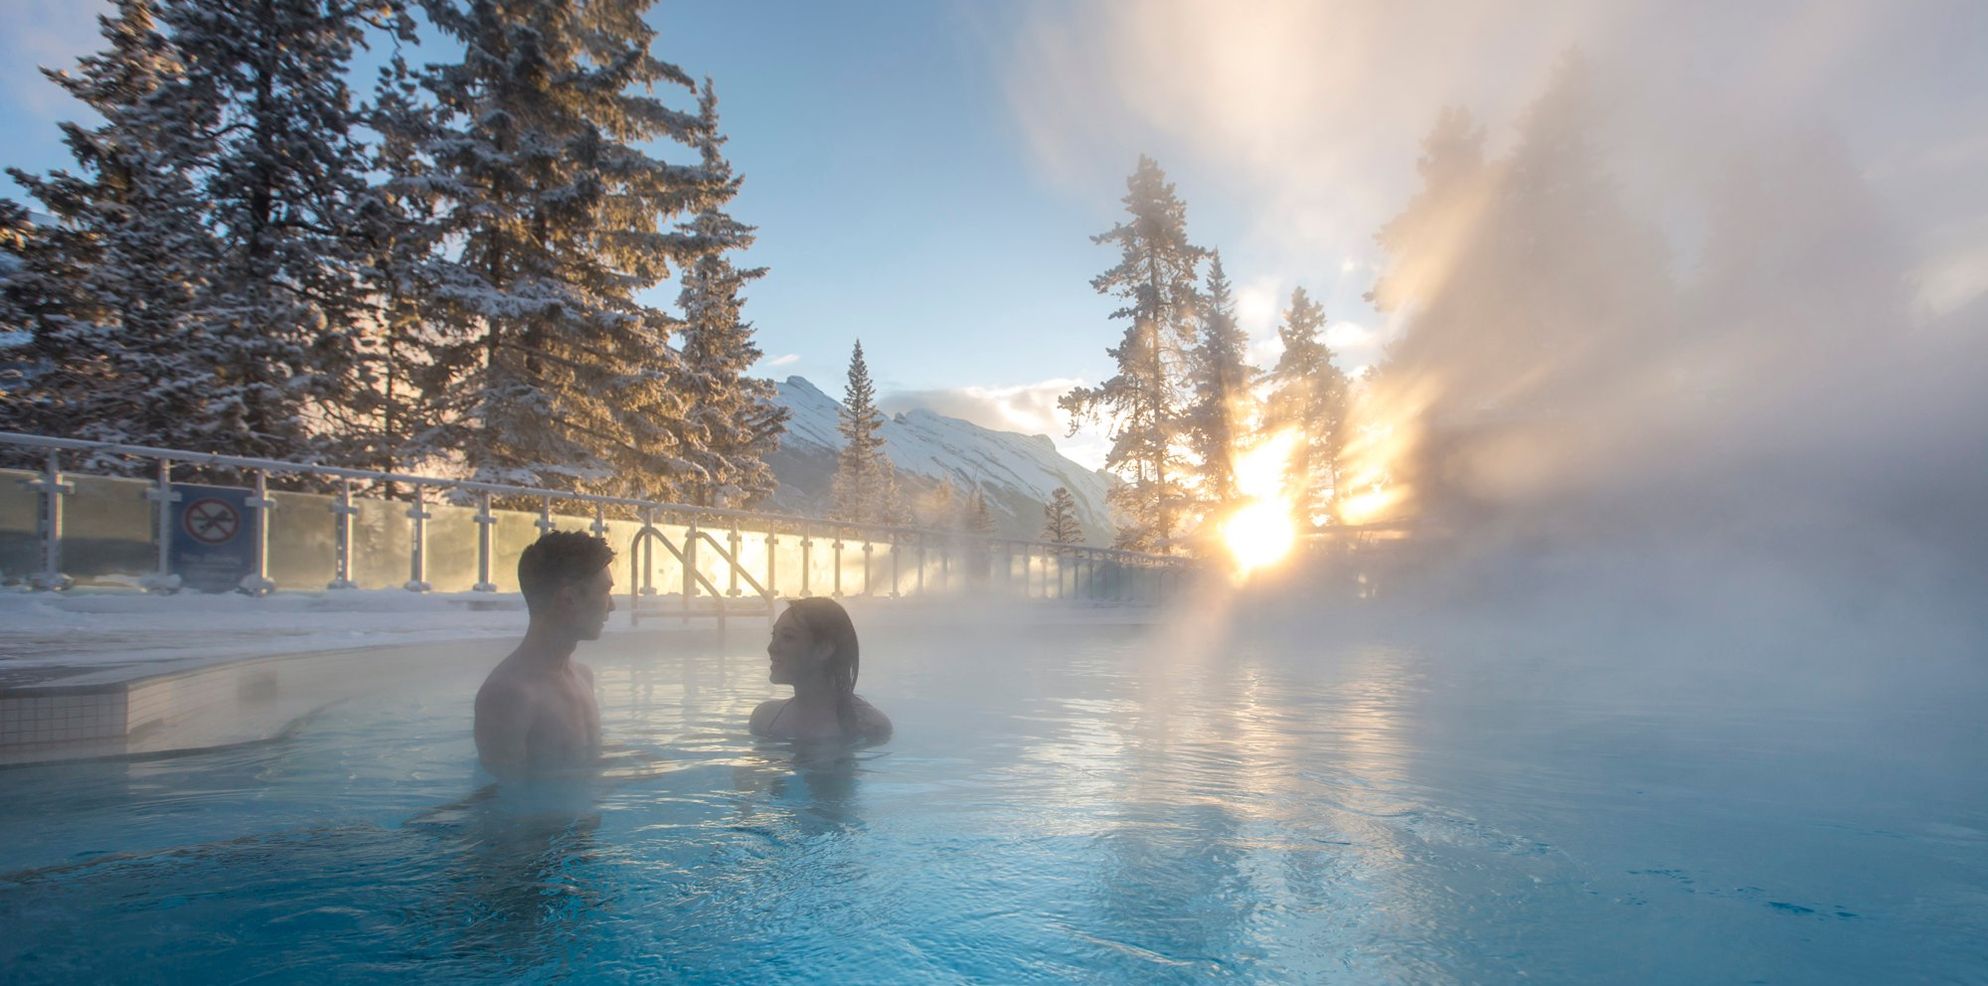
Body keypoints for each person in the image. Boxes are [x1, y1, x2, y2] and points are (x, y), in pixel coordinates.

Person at [474, 531, 615, 779]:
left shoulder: (582, 676)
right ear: (569, 598)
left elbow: (582, 763)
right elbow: (502, 800)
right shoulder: (509, 695)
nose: (612, 606)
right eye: (605, 592)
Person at [751, 597, 892, 743]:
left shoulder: (870, 727)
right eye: (774, 636)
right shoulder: (765, 719)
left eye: (788, 637)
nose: (772, 648)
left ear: (824, 649)